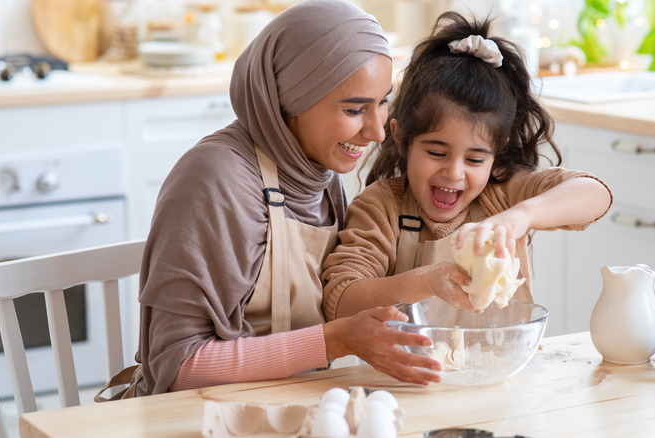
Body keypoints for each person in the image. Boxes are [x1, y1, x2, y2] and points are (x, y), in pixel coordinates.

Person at [133, 0, 443, 396]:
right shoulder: (214, 180)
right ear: (289, 101)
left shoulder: (320, 173)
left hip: (292, 406)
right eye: (354, 109)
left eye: (383, 102)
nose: (377, 132)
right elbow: (174, 368)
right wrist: (335, 340)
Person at [322, 12, 613, 321]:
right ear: (402, 138)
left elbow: (596, 195)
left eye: (475, 159)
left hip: (502, 366)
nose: (454, 173)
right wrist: (426, 282)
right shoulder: (382, 207)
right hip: (401, 369)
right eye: (436, 152)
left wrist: (520, 216)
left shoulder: (501, 193)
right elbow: (340, 300)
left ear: (496, 155)